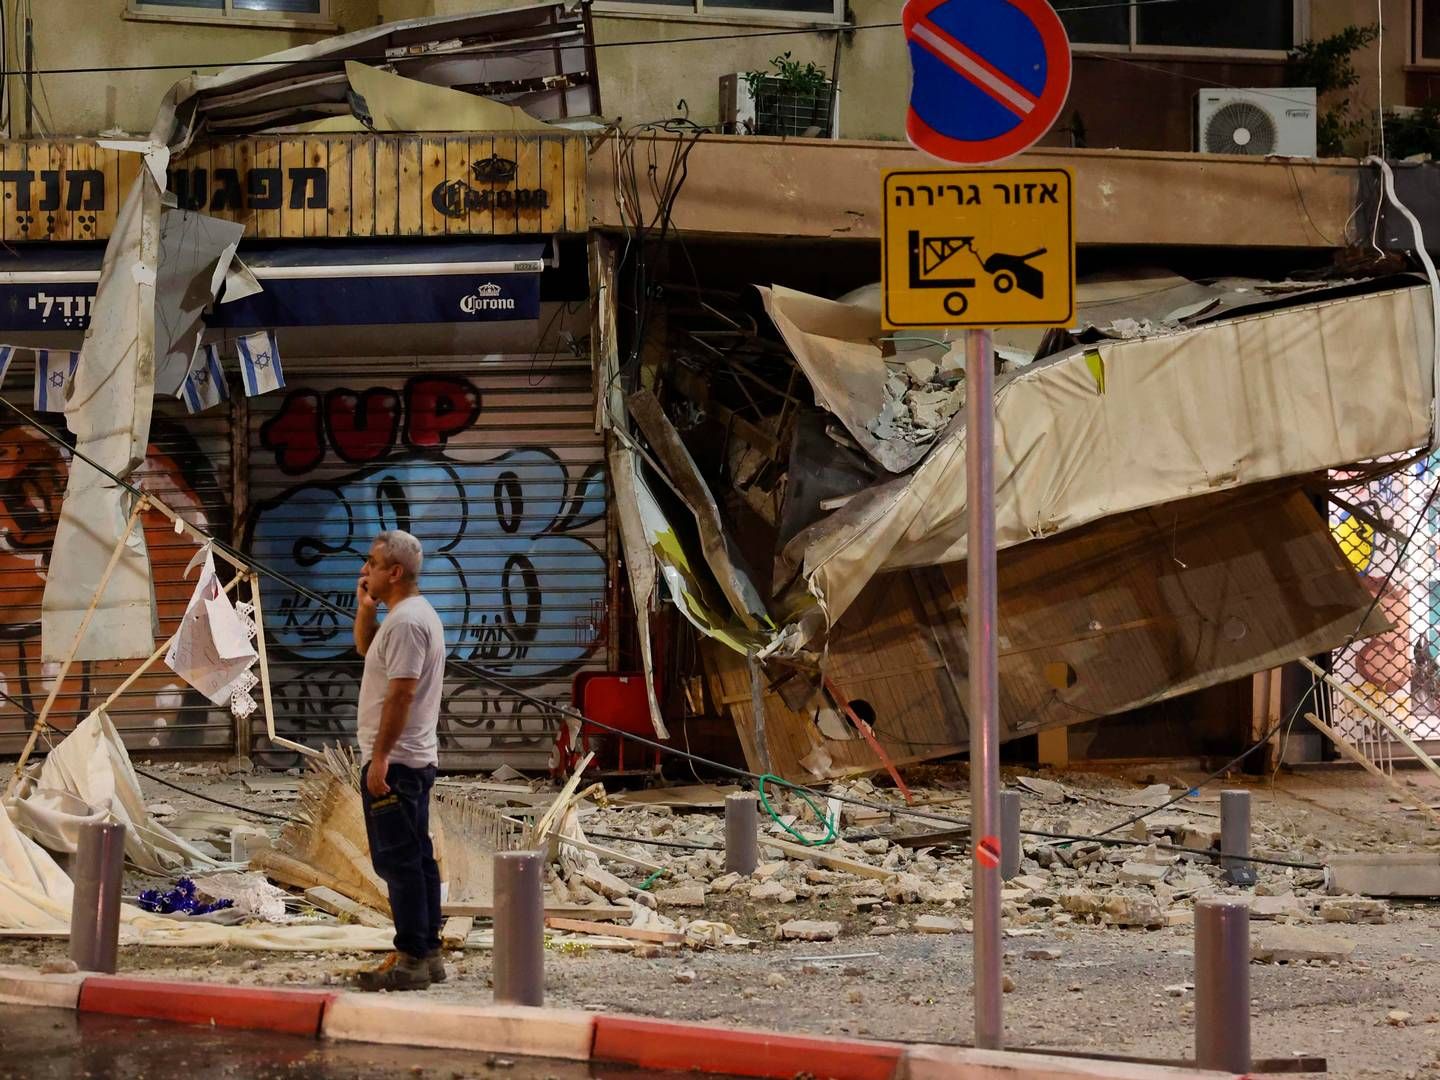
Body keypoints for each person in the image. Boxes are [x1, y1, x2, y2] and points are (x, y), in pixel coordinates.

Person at [350, 529, 448, 992]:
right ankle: (427, 953)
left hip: (399, 763)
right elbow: (368, 651)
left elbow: (402, 692)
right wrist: (365, 608)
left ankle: (411, 959)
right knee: (417, 857)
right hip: (408, 759)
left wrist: (380, 758)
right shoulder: (402, 618)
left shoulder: (409, 622)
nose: (364, 570)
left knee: (400, 861)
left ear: (395, 571)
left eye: (372, 563)